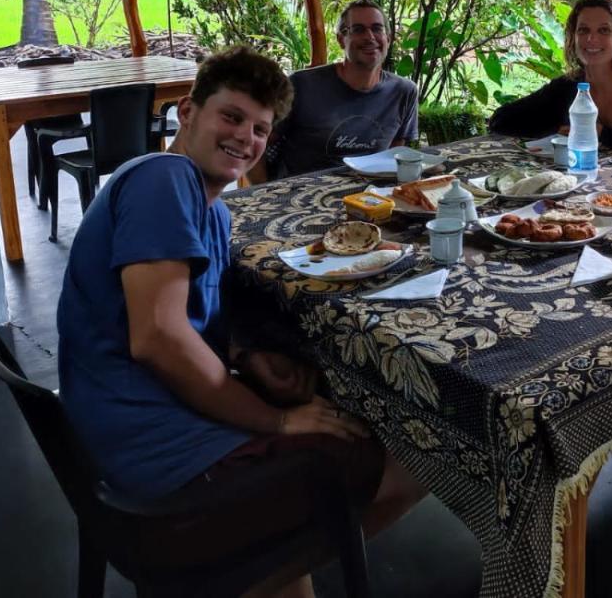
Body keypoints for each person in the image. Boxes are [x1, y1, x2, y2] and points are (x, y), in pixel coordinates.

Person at [57, 46, 422, 598]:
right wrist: (274, 423)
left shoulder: (214, 211)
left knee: (319, 437)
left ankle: (259, 568)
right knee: (410, 465)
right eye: (231, 117)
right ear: (187, 112)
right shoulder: (165, 178)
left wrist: (244, 360)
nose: (245, 139)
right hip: (161, 469)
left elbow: (187, 320)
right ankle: (226, 584)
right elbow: (158, 338)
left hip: (128, 440)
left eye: (259, 128)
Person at [251, 0, 419, 180]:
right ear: (341, 39)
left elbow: (394, 157)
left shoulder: (403, 92)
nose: (370, 37)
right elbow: (254, 142)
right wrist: (264, 194)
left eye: (377, 28)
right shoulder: (301, 85)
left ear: (388, 38)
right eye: (358, 29)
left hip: (370, 199)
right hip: (298, 197)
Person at [489, 0, 612, 150]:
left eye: (603, 30)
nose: (592, 38)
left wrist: (602, 133)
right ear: (573, 38)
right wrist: (559, 127)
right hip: (576, 186)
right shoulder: (566, 87)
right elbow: (500, 121)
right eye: (583, 30)